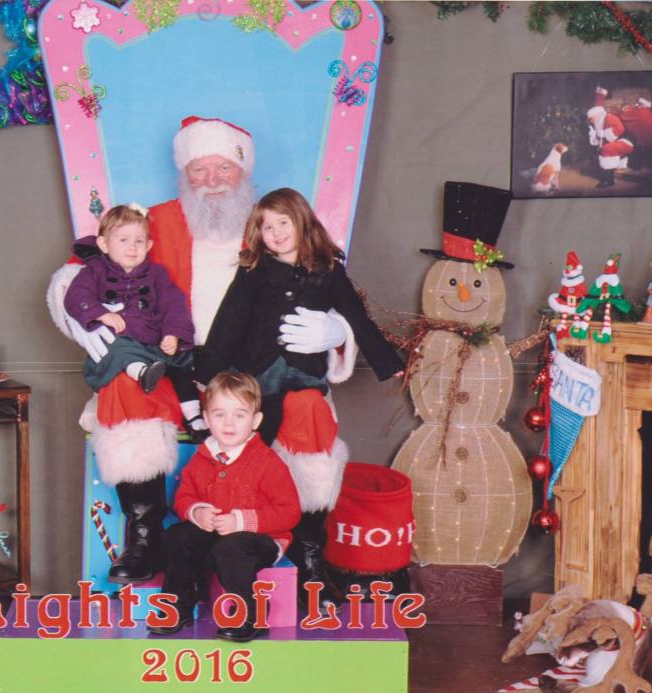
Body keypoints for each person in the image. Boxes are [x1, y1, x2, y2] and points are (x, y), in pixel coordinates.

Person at [47, 117, 358, 606]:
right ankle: (145, 535)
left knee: (309, 410)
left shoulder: (274, 225)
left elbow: (331, 282)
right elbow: (83, 266)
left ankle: (307, 550)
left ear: (244, 171)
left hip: (263, 374)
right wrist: (79, 314)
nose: (212, 181)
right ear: (182, 174)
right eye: (199, 169)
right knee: (127, 389)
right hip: (173, 367)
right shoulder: (156, 222)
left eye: (224, 168)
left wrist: (338, 331)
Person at [197, 188, 405, 445]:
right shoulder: (253, 270)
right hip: (258, 367)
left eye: (284, 222)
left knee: (304, 413)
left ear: (302, 221)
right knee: (258, 427)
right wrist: (207, 372)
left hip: (304, 370)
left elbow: (356, 316)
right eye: (268, 227)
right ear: (259, 234)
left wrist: (388, 362)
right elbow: (230, 320)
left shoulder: (329, 269)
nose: (276, 232)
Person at [147, 371, 300, 642]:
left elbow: (289, 513)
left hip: (260, 541)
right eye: (219, 414)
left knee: (230, 548)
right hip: (214, 539)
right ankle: (179, 603)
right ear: (206, 418)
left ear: (256, 420)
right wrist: (196, 511)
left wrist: (242, 521)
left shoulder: (267, 463)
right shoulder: (202, 457)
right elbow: (182, 498)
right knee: (177, 536)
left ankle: (250, 614)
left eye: (239, 415)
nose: (229, 423)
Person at [63, 203, 205, 435]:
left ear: (149, 245)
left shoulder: (157, 275)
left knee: (181, 363)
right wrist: (100, 313)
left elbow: (174, 304)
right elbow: (76, 296)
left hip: (154, 343)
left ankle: (194, 416)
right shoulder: (95, 271)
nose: (132, 248)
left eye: (139, 241)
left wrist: (172, 333)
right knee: (118, 347)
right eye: (123, 240)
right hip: (123, 342)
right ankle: (140, 372)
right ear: (103, 244)